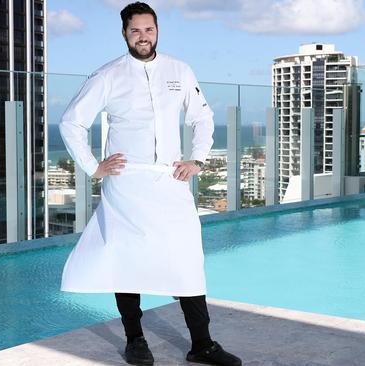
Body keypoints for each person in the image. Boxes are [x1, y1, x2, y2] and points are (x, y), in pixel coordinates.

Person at [58, 2, 242, 366]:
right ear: (124, 33)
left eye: (149, 29)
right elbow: (70, 122)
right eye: (135, 30)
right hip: (126, 184)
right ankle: (135, 340)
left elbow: (202, 118)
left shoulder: (179, 70)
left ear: (157, 30)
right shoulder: (107, 75)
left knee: (187, 259)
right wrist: (94, 167)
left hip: (171, 179)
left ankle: (201, 344)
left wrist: (198, 160)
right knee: (127, 260)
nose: (143, 36)